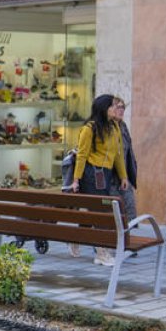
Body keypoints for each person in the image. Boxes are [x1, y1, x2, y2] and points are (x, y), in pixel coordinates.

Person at [66, 94, 128, 266]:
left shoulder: (114, 127)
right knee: (101, 213)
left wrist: (123, 176)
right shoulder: (89, 129)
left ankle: (75, 239)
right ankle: (101, 253)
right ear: (104, 108)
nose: (116, 109)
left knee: (94, 212)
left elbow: (118, 155)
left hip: (105, 175)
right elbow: (82, 155)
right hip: (91, 174)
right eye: (113, 106)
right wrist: (76, 179)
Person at [111, 96, 138, 222]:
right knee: (117, 215)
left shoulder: (123, 126)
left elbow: (128, 151)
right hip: (112, 179)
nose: (122, 110)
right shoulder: (108, 127)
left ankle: (126, 239)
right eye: (118, 107)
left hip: (125, 177)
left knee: (130, 213)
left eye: (123, 107)